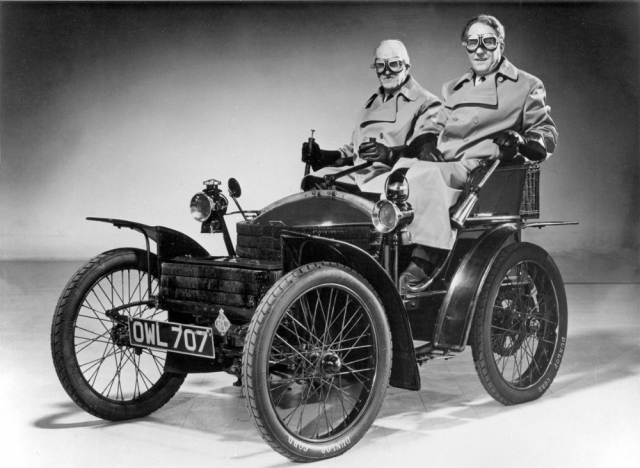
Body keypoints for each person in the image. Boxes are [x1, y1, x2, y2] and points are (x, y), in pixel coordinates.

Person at [398, 14, 559, 285]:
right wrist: (425, 143)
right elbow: (435, 126)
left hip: (481, 170)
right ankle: (397, 249)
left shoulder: (526, 85)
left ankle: (426, 257)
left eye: (488, 41)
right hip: (446, 164)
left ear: (501, 46)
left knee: (428, 176)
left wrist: (520, 141)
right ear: (465, 46)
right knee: (399, 173)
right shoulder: (454, 88)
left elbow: (546, 135)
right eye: (472, 42)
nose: (480, 49)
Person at [301, 39, 442, 194]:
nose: (387, 71)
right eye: (381, 65)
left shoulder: (426, 102)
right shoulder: (371, 104)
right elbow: (354, 150)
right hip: (359, 175)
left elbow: (424, 151)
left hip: (390, 179)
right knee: (312, 181)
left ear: (406, 67)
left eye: (394, 64)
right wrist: (322, 156)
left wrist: (388, 153)